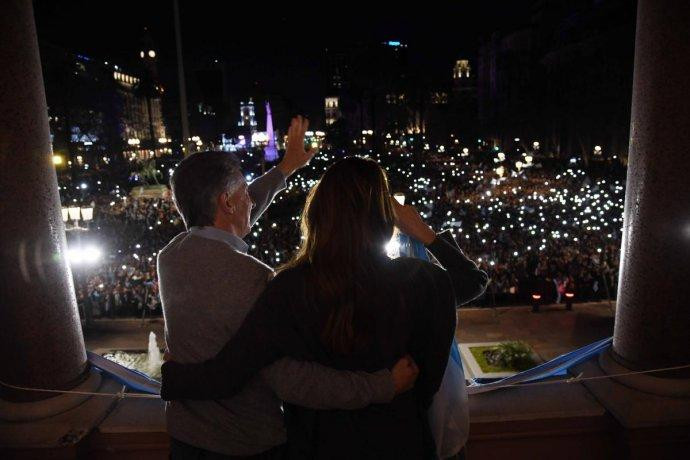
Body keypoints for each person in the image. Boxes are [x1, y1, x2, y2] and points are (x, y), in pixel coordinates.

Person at [161, 156, 489, 459]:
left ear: (318, 213)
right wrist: (423, 232)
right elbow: (471, 282)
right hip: (401, 441)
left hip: (319, 446)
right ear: (384, 215)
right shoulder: (421, 282)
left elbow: (233, 368)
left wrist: (175, 377)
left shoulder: (288, 288)